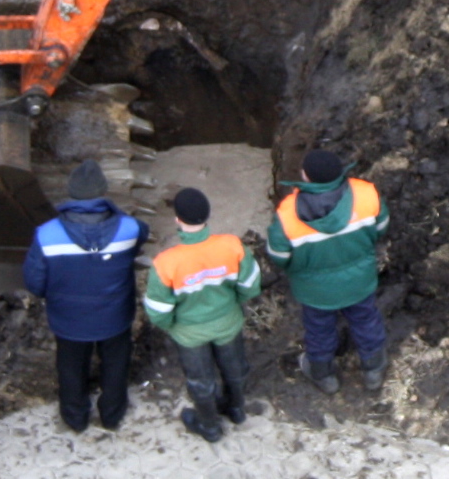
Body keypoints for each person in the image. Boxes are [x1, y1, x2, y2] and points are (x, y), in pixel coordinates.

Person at [23, 159, 147, 432]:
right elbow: (139, 242)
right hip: (115, 316)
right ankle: (112, 415)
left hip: (68, 319)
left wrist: (55, 295)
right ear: (103, 190)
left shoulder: (46, 235)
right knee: (116, 364)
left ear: (71, 192)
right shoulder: (130, 228)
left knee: (70, 367)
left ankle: (75, 418)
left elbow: (34, 282)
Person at [266, 149, 390, 395]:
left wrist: (298, 269)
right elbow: (381, 227)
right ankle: (373, 370)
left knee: (319, 328)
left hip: (315, 291)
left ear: (305, 176)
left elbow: (278, 256)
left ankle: (324, 375)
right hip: (358, 282)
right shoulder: (366, 193)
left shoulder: (288, 212)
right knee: (366, 320)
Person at [143, 188, 261, 443]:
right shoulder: (231, 245)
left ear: (177, 220)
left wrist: (172, 326)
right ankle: (236, 409)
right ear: (207, 216)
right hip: (227, 322)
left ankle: (209, 426)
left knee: (200, 380)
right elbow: (250, 284)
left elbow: (158, 310)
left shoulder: (165, 262)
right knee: (235, 368)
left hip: (189, 334)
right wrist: (233, 303)